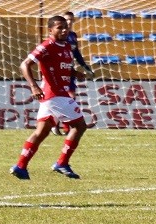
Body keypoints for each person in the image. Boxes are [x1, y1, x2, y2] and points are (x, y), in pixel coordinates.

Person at [10, 15, 88, 180]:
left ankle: (20, 166)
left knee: (42, 132)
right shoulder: (47, 45)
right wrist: (34, 86)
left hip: (56, 94)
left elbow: (62, 67)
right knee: (79, 126)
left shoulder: (67, 46)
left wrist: (75, 73)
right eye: (59, 27)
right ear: (50, 30)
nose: (64, 30)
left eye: (65, 26)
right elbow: (25, 64)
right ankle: (62, 163)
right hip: (54, 94)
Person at [53, 10, 94, 136]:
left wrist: (85, 66)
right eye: (67, 20)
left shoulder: (73, 35)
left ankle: (64, 127)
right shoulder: (57, 37)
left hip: (69, 70)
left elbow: (76, 53)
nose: (69, 22)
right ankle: (58, 125)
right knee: (62, 99)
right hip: (59, 71)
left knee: (70, 98)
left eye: (71, 20)